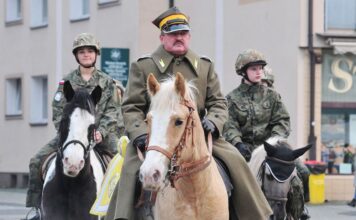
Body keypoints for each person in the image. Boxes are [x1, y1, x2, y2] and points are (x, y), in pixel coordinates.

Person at [105, 7, 272, 220]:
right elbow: (130, 107)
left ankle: (253, 214)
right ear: (162, 37)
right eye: (173, 34)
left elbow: (219, 103)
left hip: (199, 134)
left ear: (189, 36)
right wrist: (140, 134)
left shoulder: (204, 66)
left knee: (236, 162)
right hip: (154, 137)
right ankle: (122, 216)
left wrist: (213, 122)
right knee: (129, 172)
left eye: (183, 34)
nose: (179, 38)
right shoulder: (144, 66)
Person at [25, 33, 123, 220]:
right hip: (72, 134)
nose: (86, 55)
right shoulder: (66, 82)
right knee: (36, 161)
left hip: (101, 133)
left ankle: (122, 211)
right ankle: (37, 209)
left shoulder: (107, 82)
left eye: (89, 51)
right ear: (76, 55)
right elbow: (58, 109)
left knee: (124, 164)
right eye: (82, 52)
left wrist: (101, 132)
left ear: (96, 54)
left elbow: (113, 111)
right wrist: (67, 131)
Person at [223, 49, 310, 219]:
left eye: (260, 68)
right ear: (243, 71)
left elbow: (283, 121)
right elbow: (229, 125)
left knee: (303, 172)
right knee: (226, 178)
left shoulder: (273, 96)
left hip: (271, 150)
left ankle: (298, 211)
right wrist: (238, 143)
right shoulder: (231, 99)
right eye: (254, 69)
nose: (259, 72)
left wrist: (273, 142)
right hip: (243, 150)